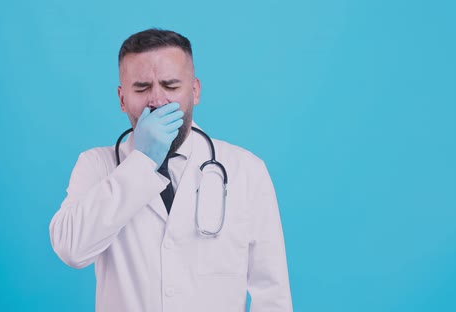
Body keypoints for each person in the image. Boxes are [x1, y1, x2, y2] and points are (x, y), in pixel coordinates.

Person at [49, 28, 293, 312]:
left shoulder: (246, 170)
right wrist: (142, 162)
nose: (157, 100)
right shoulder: (96, 165)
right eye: (141, 88)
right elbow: (70, 249)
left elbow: (272, 293)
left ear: (195, 91)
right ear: (121, 98)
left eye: (171, 86)